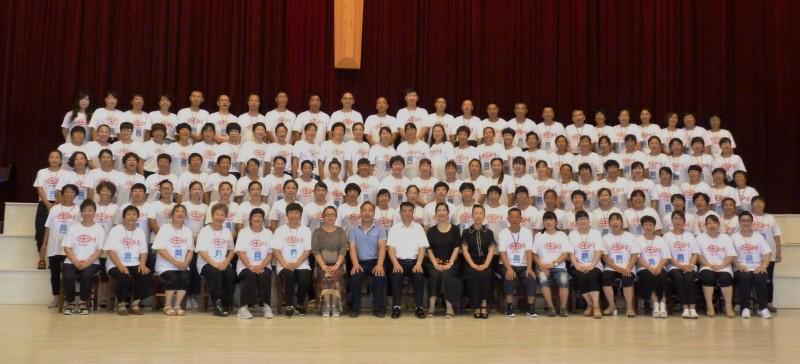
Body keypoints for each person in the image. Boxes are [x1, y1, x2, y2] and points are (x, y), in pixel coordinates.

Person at [60, 199, 105, 315]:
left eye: (90, 210)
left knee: (87, 275)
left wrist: (88, 262)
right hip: (71, 261)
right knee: (68, 276)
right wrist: (75, 261)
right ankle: (70, 302)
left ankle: (83, 302)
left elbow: (100, 250)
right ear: (81, 212)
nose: (87, 213)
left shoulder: (99, 229)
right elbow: (67, 247)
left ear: (95, 212)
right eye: (85, 211)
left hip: (92, 262)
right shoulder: (73, 228)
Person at [105, 205, 151, 315]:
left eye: (134, 214)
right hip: (116, 263)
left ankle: (135, 303)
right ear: (123, 216)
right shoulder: (116, 230)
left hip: (134, 263)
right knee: (122, 275)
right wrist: (120, 265)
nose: (131, 217)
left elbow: (144, 251)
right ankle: (121, 304)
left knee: (145, 274)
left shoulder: (140, 232)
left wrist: (143, 264)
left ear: (138, 217)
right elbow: (110, 251)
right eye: (129, 214)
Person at [40, 184, 81, 308]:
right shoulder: (54, 209)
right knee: (55, 274)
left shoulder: (79, 210)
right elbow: (47, 228)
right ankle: (56, 297)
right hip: (54, 247)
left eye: (72, 192)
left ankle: (69, 299)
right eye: (67, 192)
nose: (69, 194)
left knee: (69, 275)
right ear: (62, 194)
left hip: (70, 249)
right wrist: (43, 245)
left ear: (76, 195)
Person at [387, 202, 429, 319]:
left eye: (409, 211)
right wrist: (395, 263)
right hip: (399, 262)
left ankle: (419, 308)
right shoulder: (394, 228)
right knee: (396, 274)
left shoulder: (419, 228)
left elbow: (422, 248)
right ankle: (396, 307)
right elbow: (390, 248)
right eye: (404, 211)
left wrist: (419, 263)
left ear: (413, 213)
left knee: (419, 274)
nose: (407, 213)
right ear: (400, 213)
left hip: (415, 262)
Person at [152, 204, 194, 317]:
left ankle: (177, 306)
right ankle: (167, 305)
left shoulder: (187, 230)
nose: (180, 214)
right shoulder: (165, 228)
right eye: (177, 211)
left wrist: (186, 263)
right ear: (172, 215)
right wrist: (176, 263)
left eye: (182, 212)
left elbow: (190, 250)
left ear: (185, 215)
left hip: (183, 265)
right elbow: (160, 249)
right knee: (173, 278)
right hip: (165, 265)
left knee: (185, 277)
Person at [272, 202, 313, 318]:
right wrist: (285, 263)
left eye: (296, 213)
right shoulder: (280, 230)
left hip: (301, 263)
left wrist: (297, 263)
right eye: (291, 213)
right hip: (283, 264)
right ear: (287, 215)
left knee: (304, 278)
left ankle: (299, 305)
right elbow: (276, 250)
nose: (294, 215)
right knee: (289, 276)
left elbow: (307, 250)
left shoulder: (306, 230)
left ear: (300, 215)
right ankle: (289, 305)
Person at [195, 203, 236, 317]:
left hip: (222, 262)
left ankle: (226, 303)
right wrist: (214, 263)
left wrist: (226, 262)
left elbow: (232, 250)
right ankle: (217, 303)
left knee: (230, 274)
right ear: (212, 216)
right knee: (215, 273)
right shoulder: (205, 230)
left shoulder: (227, 231)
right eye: (217, 214)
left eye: (222, 215)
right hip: (206, 263)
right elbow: (201, 251)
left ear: (225, 217)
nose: (219, 217)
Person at [349, 201, 388, 318]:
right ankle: (355, 309)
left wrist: (380, 264)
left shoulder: (380, 228)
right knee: (355, 277)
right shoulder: (353, 228)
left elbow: (382, 247)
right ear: (360, 212)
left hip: (376, 261)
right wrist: (355, 264)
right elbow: (352, 247)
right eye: (364, 210)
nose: (367, 213)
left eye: (370, 210)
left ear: (374, 213)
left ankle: (379, 309)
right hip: (360, 262)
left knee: (380, 277)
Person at [234, 208, 275, 319]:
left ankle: (266, 306)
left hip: (263, 265)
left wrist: (261, 266)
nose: (257, 218)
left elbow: (271, 254)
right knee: (249, 275)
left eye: (260, 216)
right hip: (245, 265)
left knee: (265, 275)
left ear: (263, 219)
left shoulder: (268, 233)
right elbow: (240, 252)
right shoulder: (243, 232)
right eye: (255, 216)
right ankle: (243, 308)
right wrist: (251, 266)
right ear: (250, 219)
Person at [732, 211, 773, 319]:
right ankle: (745, 308)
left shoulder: (758, 237)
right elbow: (731, 254)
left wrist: (763, 266)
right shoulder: (734, 237)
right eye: (743, 220)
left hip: (757, 267)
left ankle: (762, 308)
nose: (745, 223)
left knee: (760, 278)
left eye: (748, 220)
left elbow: (768, 253)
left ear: (751, 222)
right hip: (741, 267)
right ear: (739, 222)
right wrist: (739, 265)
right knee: (745, 277)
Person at [424, 203, 462, 318]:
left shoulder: (455, 229)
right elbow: (429, 249)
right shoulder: (431, 230)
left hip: (451, 263)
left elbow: (456, 248)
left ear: (448, 213)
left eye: (443, 210)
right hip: (433, 263)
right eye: (439, 210)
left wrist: (450, 263)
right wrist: (435, 264)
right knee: (434, 275)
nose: (441, 212)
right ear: (435, 214)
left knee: (446, 275)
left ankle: (449, 307)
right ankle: (431, 307)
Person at [498, 208, 536, 317]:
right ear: (508, 219)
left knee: (531, 278)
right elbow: (502, 253)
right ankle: (509, 307)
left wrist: (529, 268)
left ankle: (531, 307)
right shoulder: (503, 233)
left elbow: (529, 252)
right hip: (507, 264)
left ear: (521, 219)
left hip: (523, 265)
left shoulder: (527, 232)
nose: (514, 219)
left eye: (517, 217)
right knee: (509, 277)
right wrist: (509, 268)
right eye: (512, 217)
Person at [312, 206, 348, 318]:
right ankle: (327, 306)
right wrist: (323, 266)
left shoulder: (341, 231)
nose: (330, 217)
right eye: (327, 215)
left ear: (336, 217)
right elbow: (315, 250)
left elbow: (343, 249)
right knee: (326, 276)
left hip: (339, 264)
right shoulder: (317, 232)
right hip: (321, 265)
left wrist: (336, 265)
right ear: (323, 216)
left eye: (332, 215)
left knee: (335, 276)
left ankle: (335, 306)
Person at [697, 215, 737, 318]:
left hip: (724, 266)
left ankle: (728, 306)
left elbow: (731, 255)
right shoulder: (700, 237)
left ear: (719, 225)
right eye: (709, 223)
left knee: (725, 278)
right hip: (707, 266)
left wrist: (721, 265)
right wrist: (709, 265)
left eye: (714, 223)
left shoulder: (725, 237)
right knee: (708, 276)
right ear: (705, 225)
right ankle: (709, 305)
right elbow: (698, 255)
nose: (712, 225)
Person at [532, 211, 571, 317]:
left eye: (551, 220)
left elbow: (565, 254)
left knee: (564, 280)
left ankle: (563, 308)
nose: (548, 222)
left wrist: (553, 264)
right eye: (545, 220)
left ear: (556, 222)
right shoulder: (538, 236)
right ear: (543, 223)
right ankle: (551, 307)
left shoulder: (562, 235)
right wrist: (541, 266)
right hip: (542, 267)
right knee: (543, 279)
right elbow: (534, 255)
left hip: (559, 267)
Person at [601, 213, 639, 317]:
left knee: (627, 279)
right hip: (612, 267)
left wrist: (628, 268)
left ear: (622, 223)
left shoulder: (630, 236)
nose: (615, 222)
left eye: (617, 220)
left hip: (627, 267)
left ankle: (629, 308)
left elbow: (635, 255)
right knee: (605, 278)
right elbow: (605, 257)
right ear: (609, 223)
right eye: (612, 220)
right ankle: (612, 305)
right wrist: (617, 268)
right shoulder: (606, 237)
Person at [461, 204, 496, 319]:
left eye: (481, 213)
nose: (478, 216)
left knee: (486, 274)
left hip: (485, 261)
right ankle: (476, 306)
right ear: (472, 215)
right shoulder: (466, 232)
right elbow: (465, 250)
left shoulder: (489, 232)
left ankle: (484, 304)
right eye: (476, 213)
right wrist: (473, 265)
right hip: (470, 262)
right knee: (473, 274)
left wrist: (486, 264)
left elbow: (491, 250)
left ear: (484, 216)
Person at [664, 211, 700, 319]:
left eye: (680, 219)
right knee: (678, 278)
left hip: (689, 265)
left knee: (689, 278)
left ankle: (692, 308)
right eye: (675, 218)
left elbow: (695, 253)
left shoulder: (690, 236)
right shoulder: (666, 236)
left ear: (684, 221)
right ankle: (685, 307)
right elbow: (668, 256)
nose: (678, 221)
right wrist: (681, 266)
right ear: (672, 221)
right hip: (674, 266)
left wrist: (690, 265)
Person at [568, 210, 604, 319]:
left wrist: (592, 264)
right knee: (580, 276)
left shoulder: (596, 233)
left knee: (592, 275)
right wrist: (577, 265)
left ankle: (596, 306)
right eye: (579, 219)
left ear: (589, 220)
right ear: (576, 222)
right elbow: (570, 253)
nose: (582, 221)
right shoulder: (572, 234)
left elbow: (599, 251)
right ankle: (590, 304)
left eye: (584, 219)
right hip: (577, 265)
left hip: (595, 264)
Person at [635, 216, 671, 319]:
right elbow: (637, 258)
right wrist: (649, 267)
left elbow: (666, 257)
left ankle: (663, 303)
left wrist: (659, 267)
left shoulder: (661, 240)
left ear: (654, 226)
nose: (648, 227)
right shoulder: (638, 240)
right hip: (644, 268)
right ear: (642, 226)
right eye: (646, 225)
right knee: (648, 276)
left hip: (660, 266)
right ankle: (655, 303)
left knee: (663, 276)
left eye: (651, 225)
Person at [34, 151, 65, 268]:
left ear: (61, 160)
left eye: (57, 157)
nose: (54, 159)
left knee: (57, 231)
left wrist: (56, 203)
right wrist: (48, 204)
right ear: (48, 159)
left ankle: (58, 258)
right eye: (52, 157)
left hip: (60, 204)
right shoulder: (42, 172)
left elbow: (64, 190)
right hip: (44, 203)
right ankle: (41, 258)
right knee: (40, 230)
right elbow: (40, 189)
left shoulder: (65, 173)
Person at [750, 196, 781, 312]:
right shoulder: (748, 217)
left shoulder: (770, 218)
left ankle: (768, 302)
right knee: (753, 279)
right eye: (755, 202)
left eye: (760, 202)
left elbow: (776, 235)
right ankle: (755, 303)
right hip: (752, 253)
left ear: (764, 204)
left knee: (768, 279)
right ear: (751, 204)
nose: (758, 204)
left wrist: (778, 251)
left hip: (769, 254)